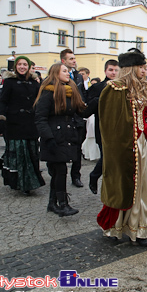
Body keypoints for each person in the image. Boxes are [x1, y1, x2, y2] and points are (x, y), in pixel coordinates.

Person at [97, 49, 147, 246]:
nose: (145, 72)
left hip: (143, 146)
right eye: (141, 68)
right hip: (124, 149)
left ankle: (139, 229)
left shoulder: (140, 89)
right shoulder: (114, 89)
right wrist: (119, 150)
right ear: (131, 68)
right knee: (124, 188)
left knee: (142, 189)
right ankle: (116, 228)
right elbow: (110, 126)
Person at [34, 63, 86, 216]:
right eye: (64, 71)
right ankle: (62, 204)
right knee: (60, 170)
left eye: (68, 71)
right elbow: (40, 118)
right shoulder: (48, 93)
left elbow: (81, 111)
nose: (68, 73)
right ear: (55, 73)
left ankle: (52, 203)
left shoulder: (70, 91)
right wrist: (48, 138)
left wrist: (96, 103)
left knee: (58, 172)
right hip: (54, 138)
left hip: (67, 137)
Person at [0, 55, 44, 195]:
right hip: (15, 123)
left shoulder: (35, 83)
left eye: (25, 64)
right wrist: (0, 118)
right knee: (19, 155)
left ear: (29, 67)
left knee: (32, 153)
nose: (22, 67)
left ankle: (31, 181)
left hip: (31, 123)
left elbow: (39, 102)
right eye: (19, 64)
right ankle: (19, 182)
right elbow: (3, 101)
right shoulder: (9, 82)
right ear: (15, 66)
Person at [85, 60, 119, 194]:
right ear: (105, 71)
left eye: (116, 70)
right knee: (106, 156)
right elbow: (89, 107)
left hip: (118, 128)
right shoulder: (97, 87)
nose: (113, 73)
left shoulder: (122, 87)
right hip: (102, 128)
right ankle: (95, 176)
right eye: (111, 70)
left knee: (114, 158)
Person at [60, 49, 85, 188]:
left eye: (74, 58)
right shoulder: (57, 75)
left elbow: (82, 94)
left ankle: (76, 176)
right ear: (64, 61)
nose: (74, 61)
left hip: (78, 118)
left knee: (77, 150)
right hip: (64, 118)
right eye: (71, 59)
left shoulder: (78, 76)